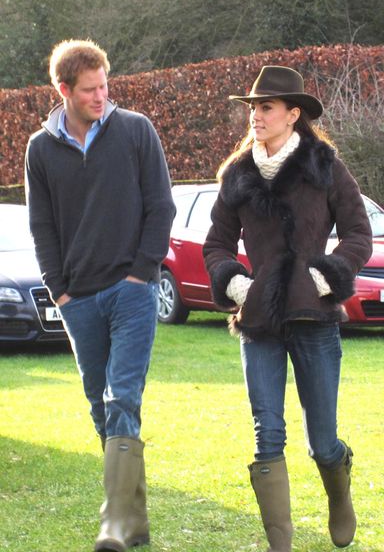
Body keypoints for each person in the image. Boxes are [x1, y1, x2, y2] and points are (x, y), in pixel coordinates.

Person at [203, 65, 372, 551]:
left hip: (314, 318)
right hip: (258, 321)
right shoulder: (237, 174)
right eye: (253, 108)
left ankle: (339, 495)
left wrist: (324, 277)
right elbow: (216, 245)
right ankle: (281, 544)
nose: (255, 116)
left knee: (323, 440)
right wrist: (237, 287)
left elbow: (359, 233)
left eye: (266, 108)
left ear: (292, 114)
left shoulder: (325, 165)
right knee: (267, 435)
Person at [25, 39, 175, 552]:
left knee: (122, 396)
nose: (100, 96)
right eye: (89, 90)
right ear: (63, 90)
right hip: (78, 299)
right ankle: (133, 520)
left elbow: (161, 206)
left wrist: (142, 273)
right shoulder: (39, 149)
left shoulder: (135, 130)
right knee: (98, 405)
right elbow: (41, 226)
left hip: (132, 291)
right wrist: (59, 291)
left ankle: (114, 520)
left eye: (105, 86)